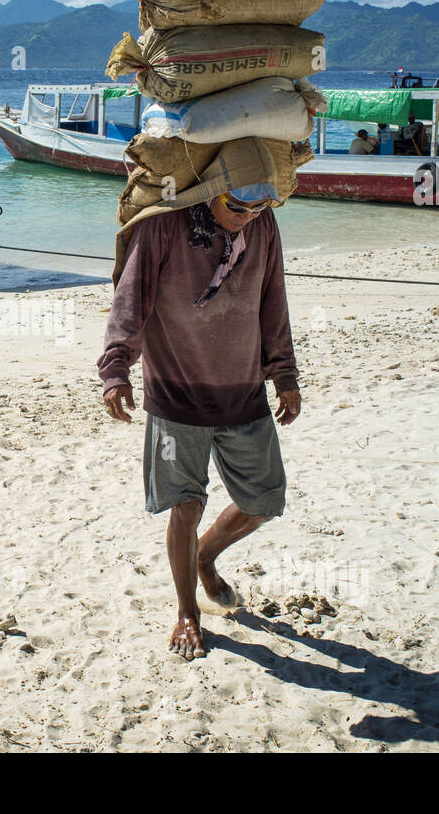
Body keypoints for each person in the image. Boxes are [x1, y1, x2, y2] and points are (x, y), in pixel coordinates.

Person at [99, 190, 301, 661]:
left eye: (257, 210)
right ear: (212, 192)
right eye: (237, 208)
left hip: (244, 391)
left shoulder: (262, 224)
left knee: (265, 502)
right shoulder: (163, 226)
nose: (245, 219)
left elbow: (274, 300)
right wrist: (116, 370)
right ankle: (187, 611)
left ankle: (205, 556)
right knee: (185, 505)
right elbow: (131, 300)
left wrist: (284, 373)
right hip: (176, 395)